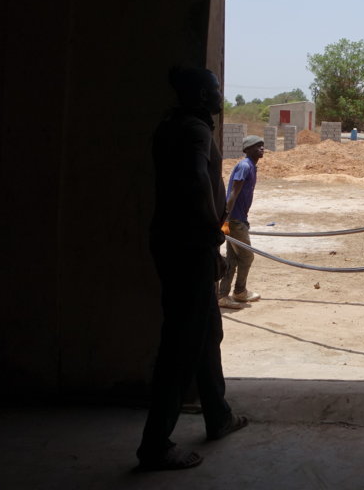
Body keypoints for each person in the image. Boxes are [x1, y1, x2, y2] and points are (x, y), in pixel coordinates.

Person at [136, 67, 248, 472]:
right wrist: (210, 238)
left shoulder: (174, 125)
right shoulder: (195, 132)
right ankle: (155, 445)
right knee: (181, 344)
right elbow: (199, 185)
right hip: (189, 246)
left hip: (175, 242)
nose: (220, 95)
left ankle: (218, 415)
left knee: (206, 332)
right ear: (202, 94)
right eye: (215, 89)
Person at [217, 134, 265, 309]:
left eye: (262, 146)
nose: (262, 148)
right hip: (235, 220)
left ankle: (223, 295)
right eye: (257, 146)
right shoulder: (245, 166)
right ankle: (239, 291)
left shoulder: (251, 166)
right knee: (246, 256)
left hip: (238, 218)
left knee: (233, 258)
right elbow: (233, 193)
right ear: (247, 149)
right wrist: (226, 218)